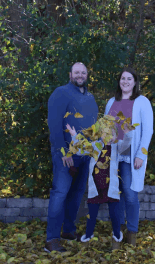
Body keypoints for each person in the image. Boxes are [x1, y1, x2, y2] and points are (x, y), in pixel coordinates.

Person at [44, 62, 99, 253]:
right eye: (77, 72)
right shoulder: (60, 93)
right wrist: (63, 152)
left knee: (76, 195)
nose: (80, 75)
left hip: (85, 156)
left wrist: (94, 150)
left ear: (87, 74)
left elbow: (94, 128)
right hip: (66, 156)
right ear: (70, 74)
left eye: (83, 72)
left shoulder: (91, 98)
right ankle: (51, 239)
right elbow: (54, 124)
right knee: (60, 194)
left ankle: (68, 231)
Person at [66, 117, 133, 250]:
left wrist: (126, 133)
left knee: (115, 216)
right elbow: (81, 148)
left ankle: (116, 240)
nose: (108, 136)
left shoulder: (116, 148)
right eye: (105, 133)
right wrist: (74, 135)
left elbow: (126, 144)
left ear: (115, 135)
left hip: (111, 189)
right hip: (95, 189)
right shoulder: (95, 146)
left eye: (111, 133)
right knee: (91, 217)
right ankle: (87, 241)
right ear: (100, 134)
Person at [104, 67, 153, 246]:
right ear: (119, 81)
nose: (125, 81)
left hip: (131, 158)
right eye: (123, 78)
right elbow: (105, 129)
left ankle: (132, 233)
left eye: (129, 79)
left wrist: (141, 154)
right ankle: (118, 233)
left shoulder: (142, 102)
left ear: (135, 82)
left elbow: (148, 131)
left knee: (131, 196)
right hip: (113, 157)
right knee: (116, 197)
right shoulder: (111, 102)